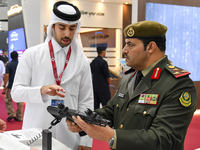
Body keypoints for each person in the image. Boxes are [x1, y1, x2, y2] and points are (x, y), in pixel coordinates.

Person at [66, 21, 198, 150]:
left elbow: (165, 138)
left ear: (151, 47)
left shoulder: (178, 84)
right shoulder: (129, 77)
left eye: (130, 45)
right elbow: (112, 111)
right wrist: (85, 120)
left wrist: (113, 136)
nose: (124, 50)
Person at [11, 1, 93, 150]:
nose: (67, 34)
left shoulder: (83, 62)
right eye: (62, 27)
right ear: (52, 26)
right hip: (35, 137)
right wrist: (41, 90)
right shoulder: (32, 55)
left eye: (72, 28)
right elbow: (16, 93)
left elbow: (86, 102)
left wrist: (86, 140)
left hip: (69, 138)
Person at [4, 51, 23, 122]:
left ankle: (11, 114)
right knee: (20, 102)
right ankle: (19, 116)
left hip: (11, 86)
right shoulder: (21, 64)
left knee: (8, 100)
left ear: (11, 57)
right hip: (20, 85)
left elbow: (6, 76)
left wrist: (4, 85)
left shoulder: (9, 65)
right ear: (17, 56)